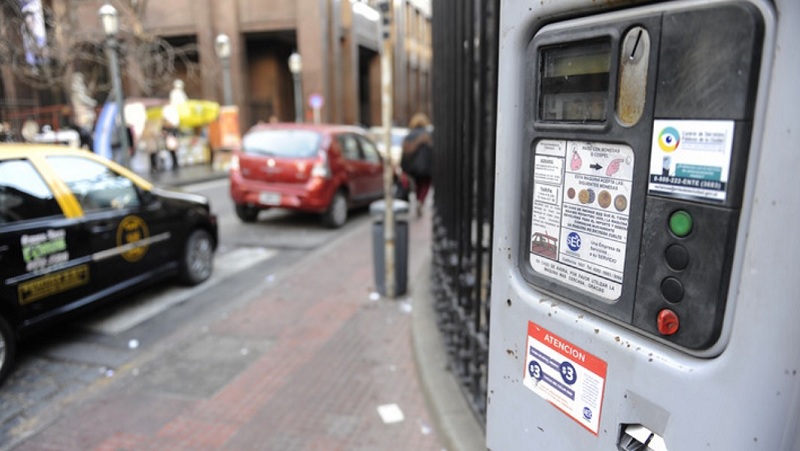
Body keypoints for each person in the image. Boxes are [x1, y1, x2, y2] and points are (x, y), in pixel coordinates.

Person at [400, 113, 433, 216]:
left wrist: (403, 167)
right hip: (427, 166)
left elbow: (405, 152)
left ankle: (418, 200)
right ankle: (421, 201)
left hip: (413, 167)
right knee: (426, 184)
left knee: (418, 184)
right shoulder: (428, 134)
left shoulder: (409, 135)